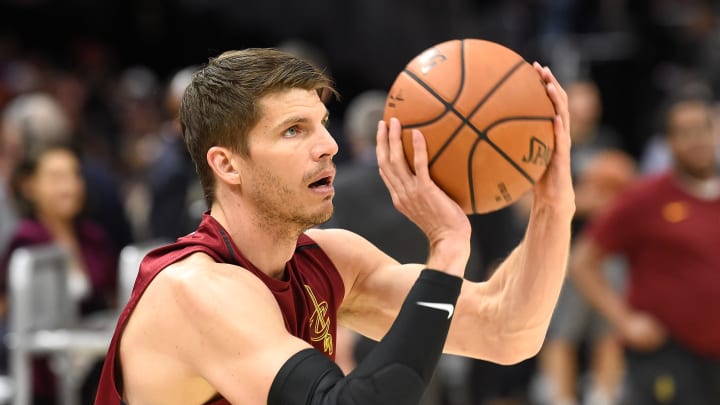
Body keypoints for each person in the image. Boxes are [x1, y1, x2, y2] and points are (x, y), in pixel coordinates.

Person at [94, 48, 575, 405]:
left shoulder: (330, 260)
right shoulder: (196, 290)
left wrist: (553, 205)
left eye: (323, 123)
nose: (329, 145)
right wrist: (447, 250)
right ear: (227, 164)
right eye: (293, 130)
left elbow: (508, 331)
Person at [570, 95, 720, 405]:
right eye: (685, 132)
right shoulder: (646, 197)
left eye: (703, 129)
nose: (697, 140)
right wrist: (623, 320)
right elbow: (583, 261)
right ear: (669, 142)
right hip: (667, 353)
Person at [0, 140, 119, 404]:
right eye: (56, 177)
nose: (70, 186)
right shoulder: (27, 243)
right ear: (29, 185)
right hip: (45, 375)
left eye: (75, 175)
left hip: (94, 363)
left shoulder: (92, 236)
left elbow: (111, 296)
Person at [537, 79, 628, 405]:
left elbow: (627, 190)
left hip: (606, 252)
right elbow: (538, 201)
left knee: (610, 328)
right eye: (580, 100)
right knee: (562, 331)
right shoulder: (549, 144)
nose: (587, 107)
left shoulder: (609, 141)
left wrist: (600, 196)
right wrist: (583, 200)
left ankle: (603, 395)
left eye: (593, 100)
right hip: (565, 251)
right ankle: (561, 396)